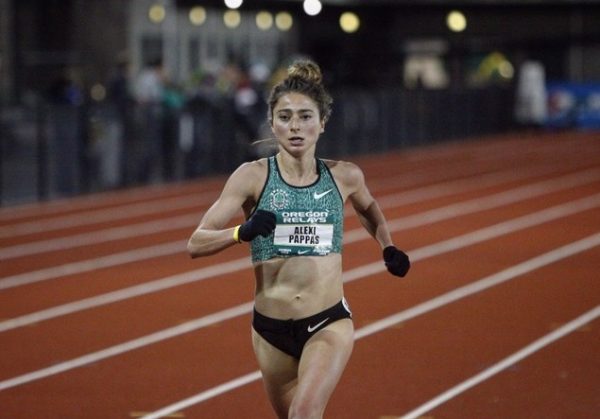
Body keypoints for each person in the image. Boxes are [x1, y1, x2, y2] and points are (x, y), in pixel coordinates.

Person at [187, 59, 410, 419]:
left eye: (306, 116)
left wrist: (387, 245)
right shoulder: (252, 177)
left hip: (328, 320)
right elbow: (195, 243)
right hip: (269, 328)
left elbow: (368, 208)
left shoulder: (345, 176)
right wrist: (240, 232)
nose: (295, 126)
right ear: (272, 122)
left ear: (322, 123)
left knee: (303, 414)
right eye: (285, 116)